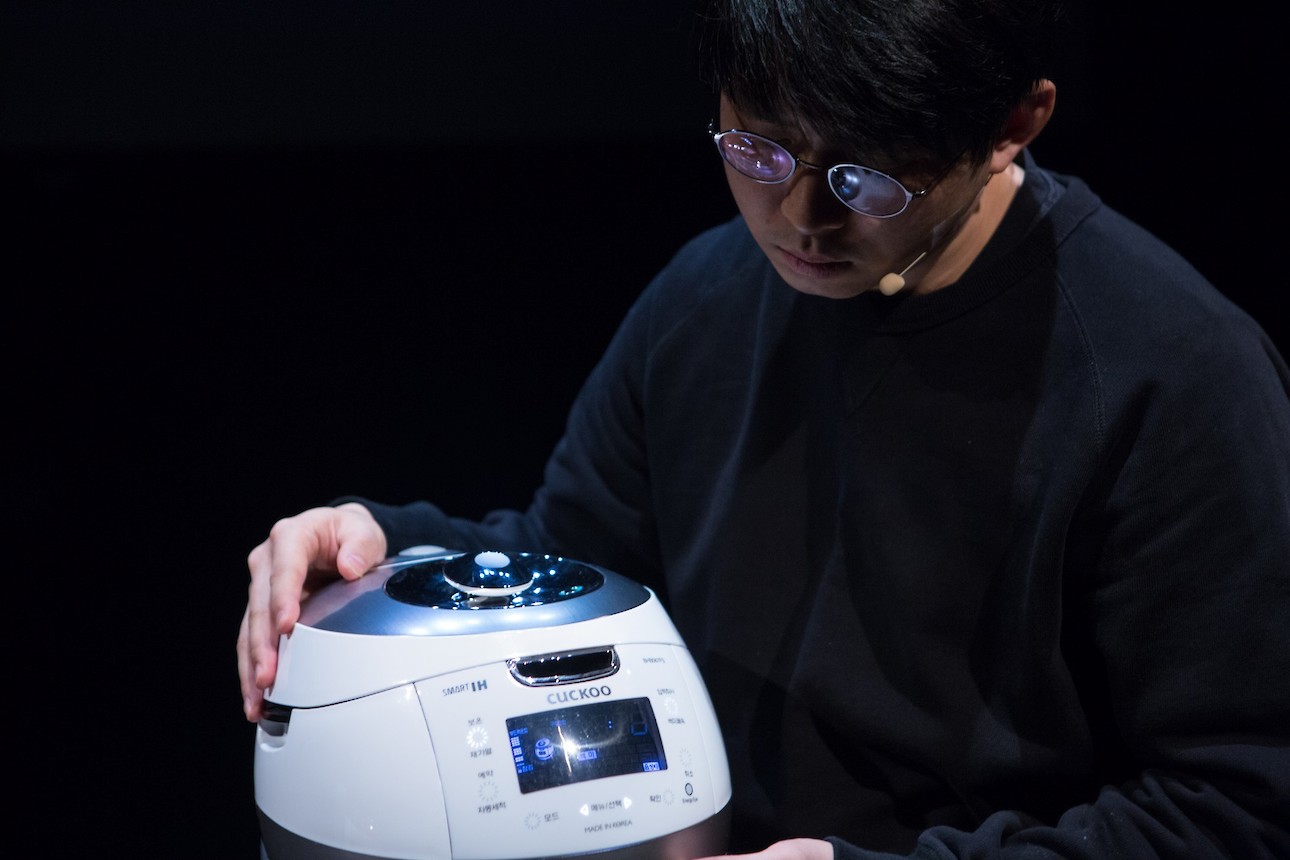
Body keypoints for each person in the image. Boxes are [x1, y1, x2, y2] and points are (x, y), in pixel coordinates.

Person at [238, 1, 1290, 857]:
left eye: (865, 176)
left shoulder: (1177, 374)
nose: (800, 221)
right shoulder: (704, 298)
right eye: (760, 148)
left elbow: (1237, 804)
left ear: (1016, 123)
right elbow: (576, 571)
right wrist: (383, 554)